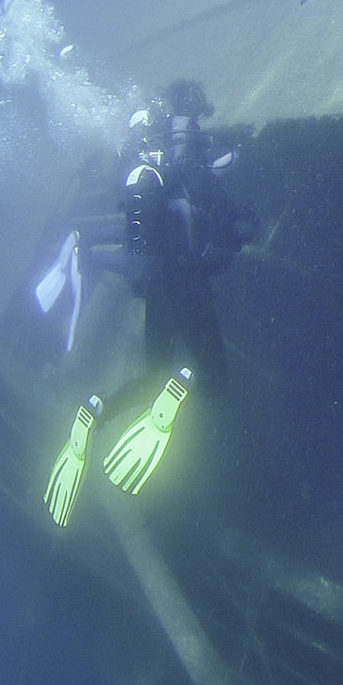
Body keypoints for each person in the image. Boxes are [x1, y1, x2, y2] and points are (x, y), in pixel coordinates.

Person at [37, 79, 259, 527]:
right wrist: (245, 226)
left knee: (151, 374)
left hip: (154, 283)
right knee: (212, 380)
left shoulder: (145, 165)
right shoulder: (189, 163)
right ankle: (182, 383)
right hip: (186, 281)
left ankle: (96, 411)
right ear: (187, 118)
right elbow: (234, 222)